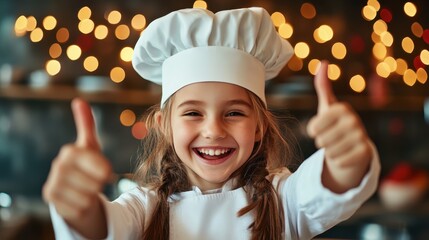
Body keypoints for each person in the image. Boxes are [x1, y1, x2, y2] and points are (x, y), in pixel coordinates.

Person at [42, 7, 380, 240]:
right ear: (164, 125)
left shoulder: (282, 201)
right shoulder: (144, 209)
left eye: (234, 113)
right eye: (192, 113)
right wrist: (80, 205)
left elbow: (327, 188)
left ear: (259, 127)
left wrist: (345, 159)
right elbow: (103, 230)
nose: (214, 130)